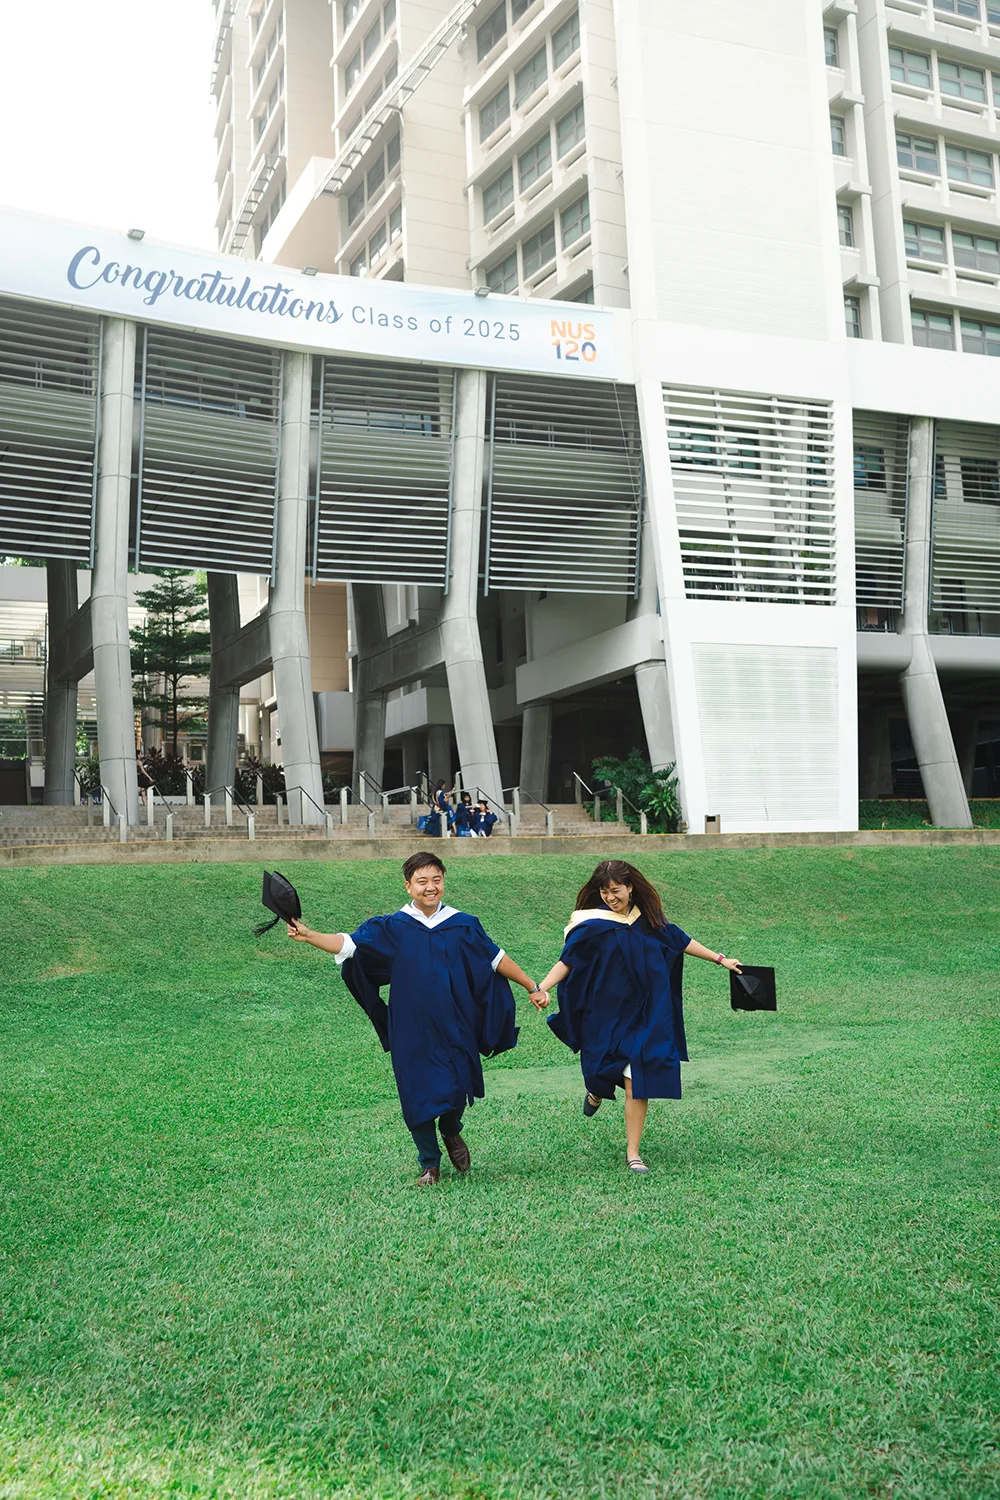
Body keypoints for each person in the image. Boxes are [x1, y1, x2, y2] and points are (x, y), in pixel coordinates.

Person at [286, 852, 547, 1185]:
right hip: (411, 1027)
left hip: (456, 1022)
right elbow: (347, 945)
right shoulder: (392, 928)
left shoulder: (462, 924)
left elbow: (495, 959)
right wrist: (309, 935)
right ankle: (429, 1164)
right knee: (416, 1091)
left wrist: (531, 986)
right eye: (422, 881)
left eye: (436, 880)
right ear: (408, 886)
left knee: (457, 1083)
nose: (430, 887)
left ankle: (451, 1129)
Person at [534, 859, 743, 1175]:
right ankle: (597, 1088)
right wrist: (543, 987)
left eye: (615, 890)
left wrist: (720, 959)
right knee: (599, 1067)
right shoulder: (591, 924)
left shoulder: (647, 919)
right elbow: (568, 961)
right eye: (604, 892)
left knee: (637, 1080)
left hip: (645, 1013)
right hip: (604, 1013)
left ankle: (633, 1153)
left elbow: (680, 940)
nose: (610, 898)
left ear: (630, 887)